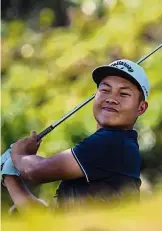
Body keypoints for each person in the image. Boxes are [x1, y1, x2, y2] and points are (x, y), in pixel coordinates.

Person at [1, 59, 149, 210]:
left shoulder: (114, 143)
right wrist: (10, 175)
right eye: (105, 90)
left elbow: (36, 170)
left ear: (141, 108)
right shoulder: (111, 146)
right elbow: (45, 221)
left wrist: (19, 154)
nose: (111, 99)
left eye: (123, 94)